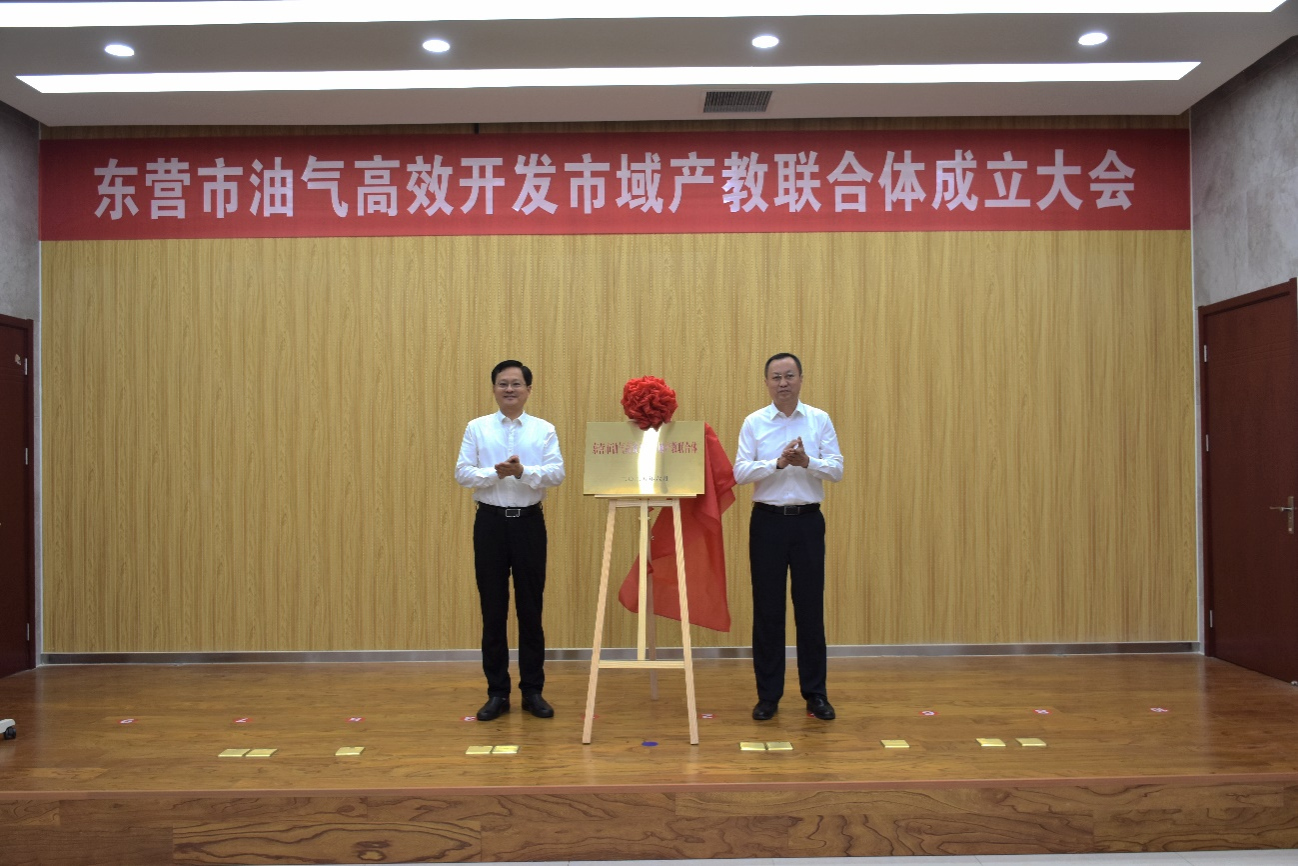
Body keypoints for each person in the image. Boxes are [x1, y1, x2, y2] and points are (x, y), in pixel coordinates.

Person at [733, 352, 844, 721]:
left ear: (801, 379)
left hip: (808, 523)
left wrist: (807, 462)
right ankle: (768, 696)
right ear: (767, 383)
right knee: (768, 610)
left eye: (790, 375)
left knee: (810, 609)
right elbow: (740, 472)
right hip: (767, 523)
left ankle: (816, 694)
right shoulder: (754, 422)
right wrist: (777, 464)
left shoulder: (819, 419)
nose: (783, 383)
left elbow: (837, 470)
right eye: (776, 377)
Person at [455, 360, 565, 721]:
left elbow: (557, 473)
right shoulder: (477, 427)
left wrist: (522, 472)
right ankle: (497, 693)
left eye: (516, 384)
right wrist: (496, 473)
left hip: (529, 524)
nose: (509, 389)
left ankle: (533, 691)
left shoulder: (544, 429)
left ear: (528, 390)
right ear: (494, 389)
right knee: (493, 610)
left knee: (531, 610)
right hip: (490, 523)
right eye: (503, 383)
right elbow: (462, 473)